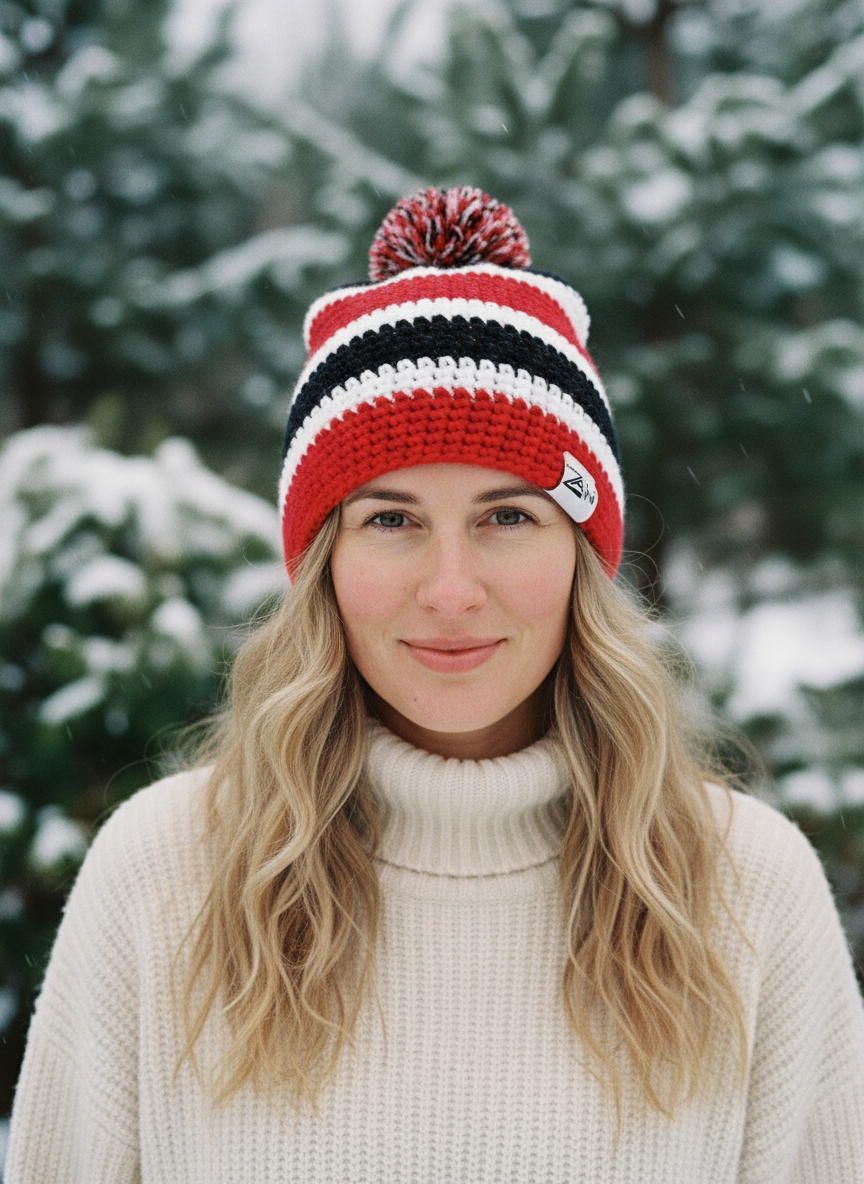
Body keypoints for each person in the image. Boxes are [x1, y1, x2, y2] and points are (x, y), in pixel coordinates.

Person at [5, 187, 864, 1183]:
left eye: (508, 516)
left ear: (582, 556)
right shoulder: (162, 874)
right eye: (390, 519)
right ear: (321, 562)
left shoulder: (746, 888)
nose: (451, 590)